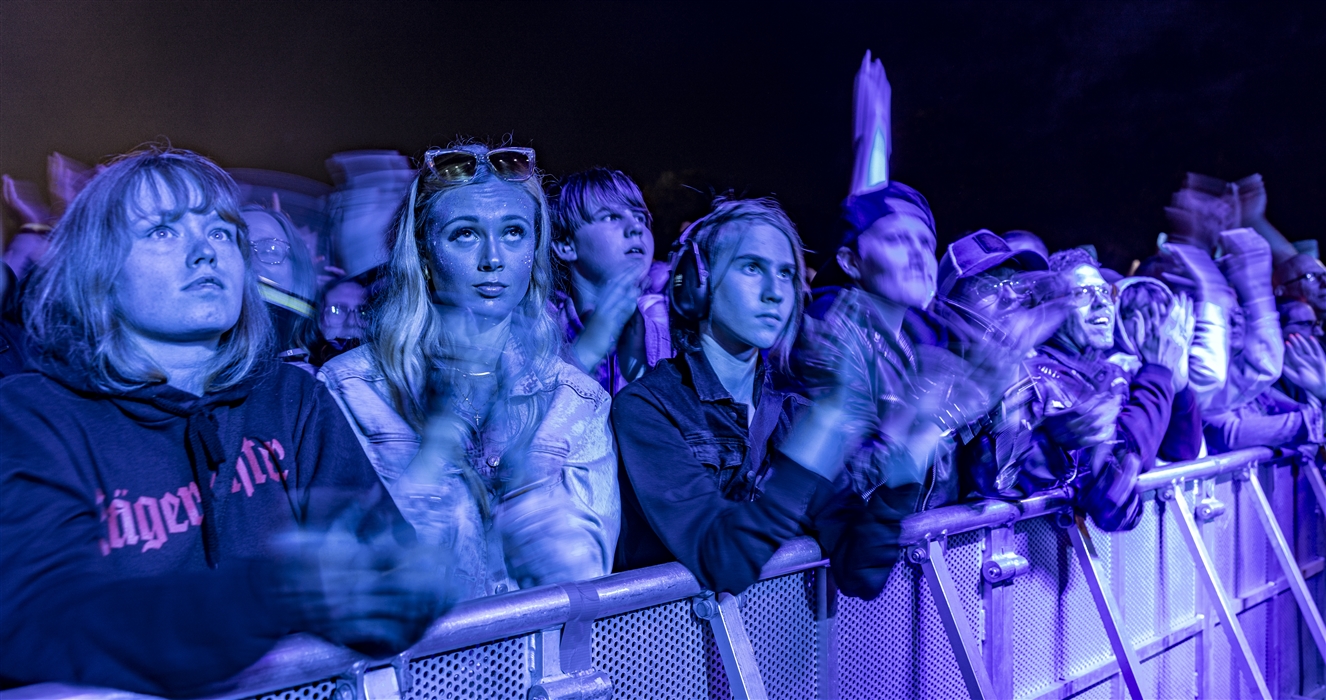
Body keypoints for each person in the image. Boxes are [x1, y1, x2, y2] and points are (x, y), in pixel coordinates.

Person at [0, 148, 443, 696]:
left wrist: (399, 586)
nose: (203, 253)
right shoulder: (32, 417)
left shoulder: (291, 399)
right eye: (162, 231)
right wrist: (275, 594)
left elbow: (393, 588)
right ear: (99, 269)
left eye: (220, 233)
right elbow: (44, 625)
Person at [319, 144, 619, 601]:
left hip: (532, 663)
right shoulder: (354, 389)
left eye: (515, 232)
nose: (493, 258)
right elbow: (359, 577)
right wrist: (438, 446)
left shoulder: (575, 399)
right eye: (464, 234)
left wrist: (525, 481)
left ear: (536, 248)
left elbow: (585, 578)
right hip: (412, 667)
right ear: (423, 253)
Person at [613, 197, 866, 596]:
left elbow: (861, 570)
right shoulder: (648, 409)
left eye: (785, 274)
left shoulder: (795, 416)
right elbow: (724, 563)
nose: (775, 293)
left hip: (773, 652)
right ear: (697, 283)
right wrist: (816, 439)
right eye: (752, 268)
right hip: (671, 652)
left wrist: (918, 440)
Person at [1020, 249, 1187, 530]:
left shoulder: (1112, 372)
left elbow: (1182, 449)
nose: (1101, 303)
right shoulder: (1040, 376)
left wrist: (1180, 385)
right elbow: (1131, 453)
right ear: (1051, 308)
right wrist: (1158, 372)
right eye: (1083, 293)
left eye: (1104, 291)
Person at [550, 168, 671, 394]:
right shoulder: (538, 339)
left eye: (641, 217)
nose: (636, 227)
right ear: (566, 245)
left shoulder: (672, 342)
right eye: (611, 217)